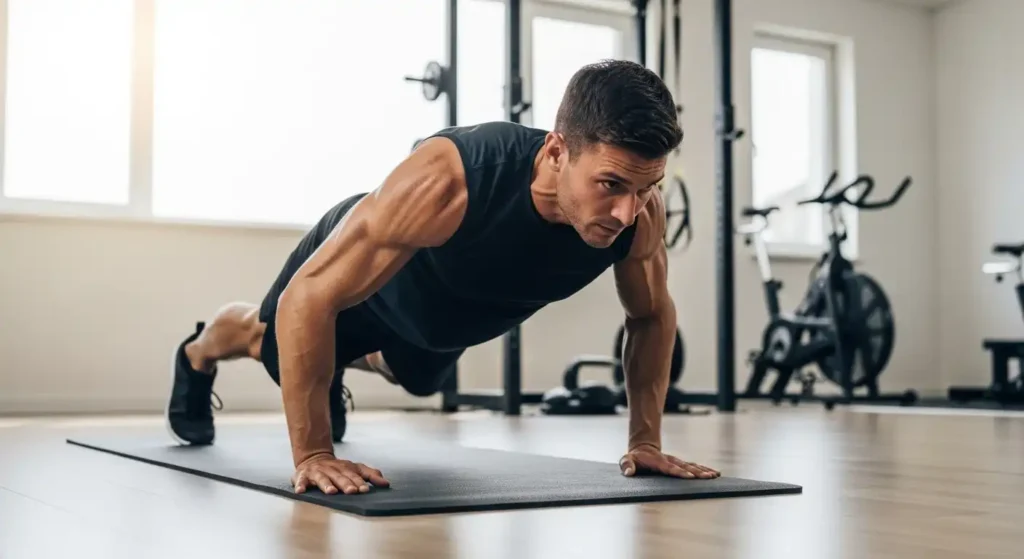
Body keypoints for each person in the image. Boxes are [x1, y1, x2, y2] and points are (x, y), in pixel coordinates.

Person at [165, 59, 721, 496]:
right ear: (556, 150)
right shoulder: (450, 179)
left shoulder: (640, 215)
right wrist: (314, 454)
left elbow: (649, 316)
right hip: (374, 282)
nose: (628, 212)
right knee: (275, 346)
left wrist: (645, 440)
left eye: (646, 187)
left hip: (440, 321)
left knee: (419, 380)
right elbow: (307, 298)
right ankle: (200, 353)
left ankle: (331, 361)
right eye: (611, 184)